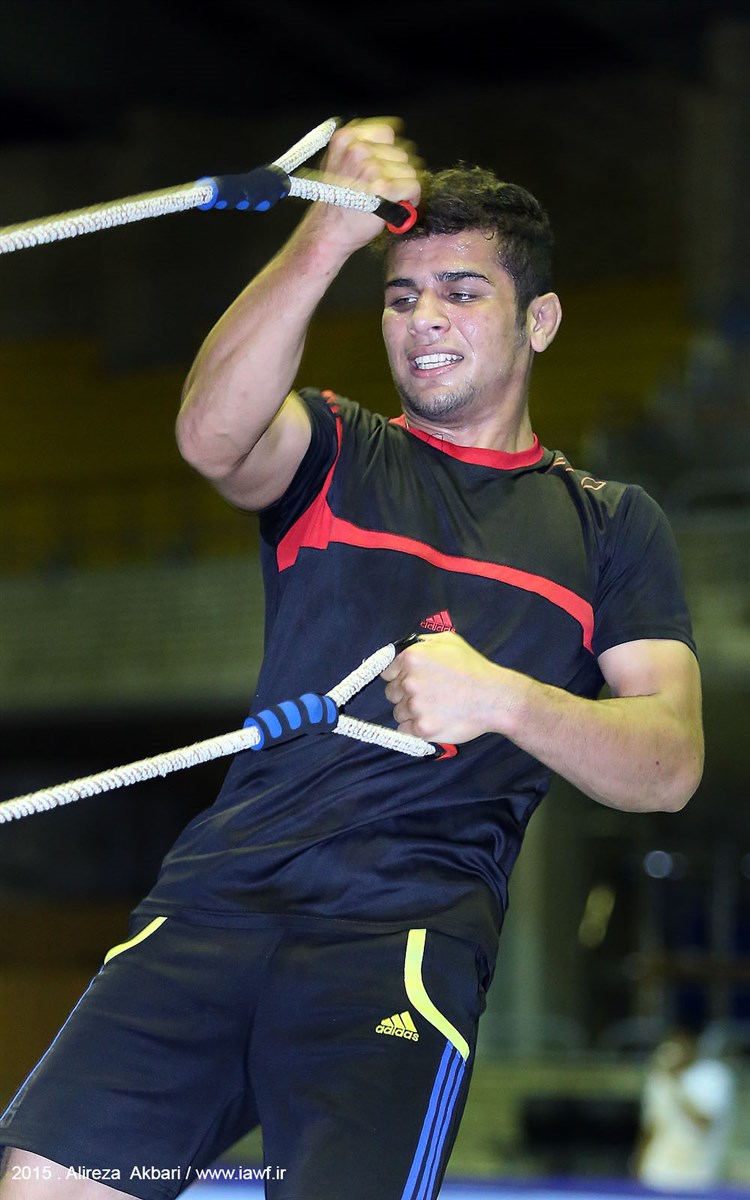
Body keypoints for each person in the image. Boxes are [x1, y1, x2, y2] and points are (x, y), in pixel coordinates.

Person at [0, 117, 704, 1200]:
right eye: (401, 296)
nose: (425, 319)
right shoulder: (339, 448)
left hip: (400, 939)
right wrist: (327, 235)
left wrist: (507, 700)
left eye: (462, 292)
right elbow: (210, 437)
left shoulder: (610, 526)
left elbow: (669, 765)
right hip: (216, 903)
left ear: (541, 320)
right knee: (44, 1185)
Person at [635, 1027, 735, 1191]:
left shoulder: (713, 1075)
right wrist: (639, 1163)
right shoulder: (659, 1080)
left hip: (696, 1174)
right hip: (657, 1170)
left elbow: (703, 1123)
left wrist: (675, 1083)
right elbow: (651, 1128)